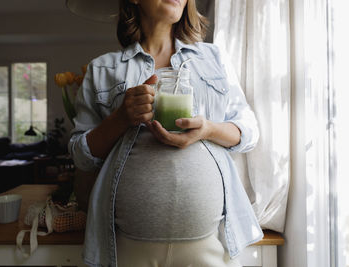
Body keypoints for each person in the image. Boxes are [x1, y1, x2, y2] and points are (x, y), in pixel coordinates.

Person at [69, 0, 263, 266]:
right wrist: (121, 118)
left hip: (209, 244)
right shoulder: (102, 69)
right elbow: (81, 156)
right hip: (129, 246)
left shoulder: (213, 58)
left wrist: (207, 129)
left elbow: (248, 131)